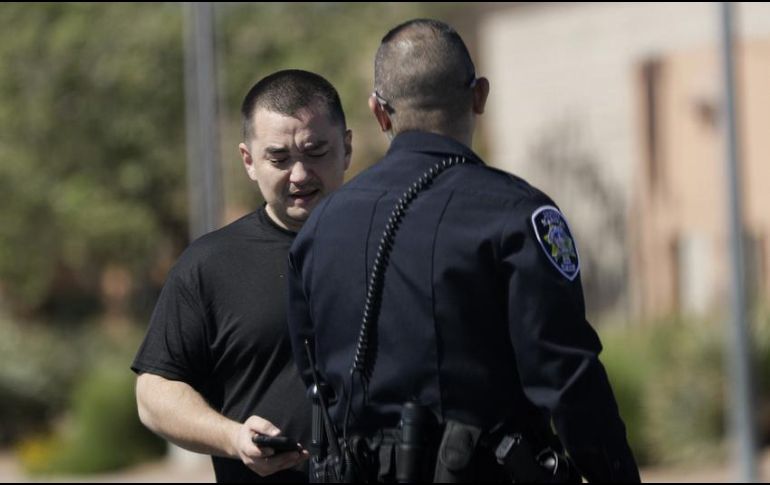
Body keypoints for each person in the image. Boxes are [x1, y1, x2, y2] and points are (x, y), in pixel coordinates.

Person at [287, 20, 640, 483]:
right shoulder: (516, 214)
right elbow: (566, 378)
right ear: (479, 97)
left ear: (378, 112)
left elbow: (312, 374)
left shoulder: (320, 225)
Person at [132, 69, 352, 482]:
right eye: (279, 158)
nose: (300, 174)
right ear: (249, 161)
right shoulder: (209, 265)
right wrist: (233, 438)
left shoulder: (390, 246)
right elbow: (154, 392)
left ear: (347, 148)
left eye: (316, 151)